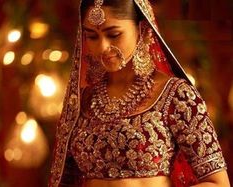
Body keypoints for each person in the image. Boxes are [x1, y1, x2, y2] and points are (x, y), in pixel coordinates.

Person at [49, 0, 230, 186]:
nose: (103, 47)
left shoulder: (176, 95)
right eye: (92, 37)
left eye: (114, 34)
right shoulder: (82, 101)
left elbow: (218, 183)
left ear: (142, 29)